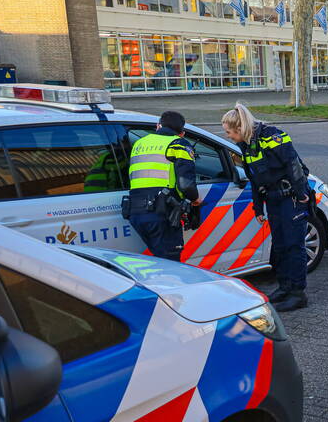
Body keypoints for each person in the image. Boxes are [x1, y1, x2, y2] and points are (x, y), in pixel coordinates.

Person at [221, 103, 311, 312]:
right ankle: (284, 287)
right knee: (279, 246)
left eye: (228, 132)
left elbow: (293, 164)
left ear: (239, 128)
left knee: (293, 245)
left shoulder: (272, 135)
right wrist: (258, 208)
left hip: (291, 198)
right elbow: (254, 179)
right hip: (273, 199)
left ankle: (298, 294)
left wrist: (301, 194)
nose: (228, 136)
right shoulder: (247, 144)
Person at [126, 110, 202, 261]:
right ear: (182, 133)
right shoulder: (179, 144)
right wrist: (195, 200)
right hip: (161, 212)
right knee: (171, 264)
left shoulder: (139, 143)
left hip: (135, 210)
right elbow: (186, 185)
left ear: (157, 126)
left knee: (160, 260)